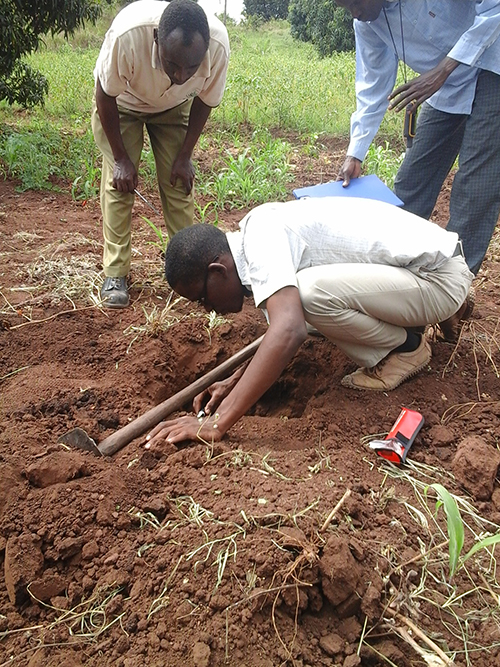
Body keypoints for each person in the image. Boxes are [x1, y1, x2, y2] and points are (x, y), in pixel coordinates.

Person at [144, 196, 473, 449]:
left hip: (435, 279)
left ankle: (408, 347)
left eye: (202, 298)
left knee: (305, 298)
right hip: (422, 271)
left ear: (218, 271)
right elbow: (282, 331)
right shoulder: (257, 233)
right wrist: (237, 380)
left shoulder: (260, 238)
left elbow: (289, 330)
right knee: (295, 306)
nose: (207, 309)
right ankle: (431, 315)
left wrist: (217, 422)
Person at [334, 0, 500, 276]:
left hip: (493, 65)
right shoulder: (367, 24)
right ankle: (398, 277)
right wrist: (355, 154)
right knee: (411, 182)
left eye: (354, 3)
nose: (355, 14)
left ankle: (455, 286)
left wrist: (442, 70)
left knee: (474, 187)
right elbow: (373, 86)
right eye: (345, 8)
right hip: (443, 87)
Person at [92, 0, 230, 308]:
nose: (182, 75)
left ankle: (192, 269)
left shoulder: (218, 45)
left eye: (191, 67)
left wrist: (185, 155)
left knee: (179, 183)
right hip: (121, 104)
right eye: (173, 65)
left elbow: (205, 101)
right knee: (120, 185)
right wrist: (121, 158)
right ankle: (115, 273)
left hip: (173, 107)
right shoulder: (128, 35)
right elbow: (105, 93)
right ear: (156, 40)